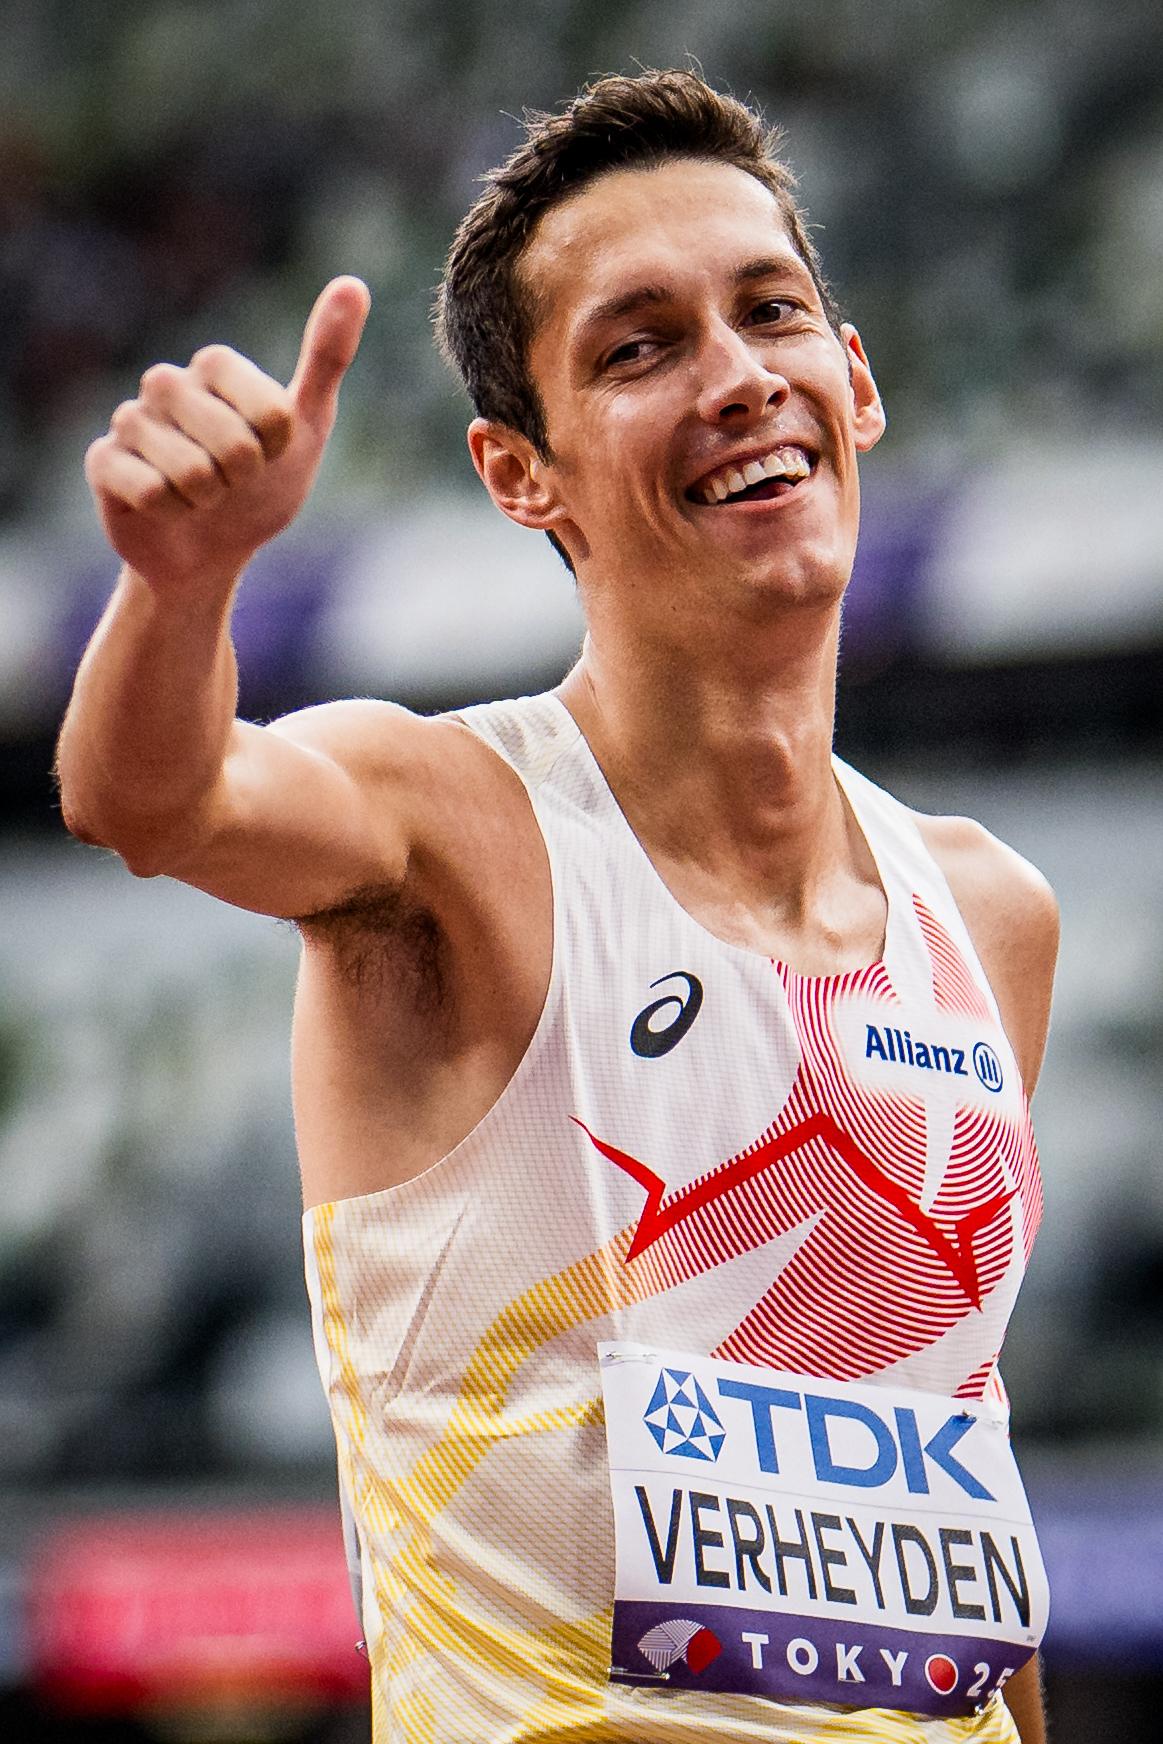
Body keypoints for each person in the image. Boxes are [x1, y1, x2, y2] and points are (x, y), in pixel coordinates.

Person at [57, 69, 1057, 1744]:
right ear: (521, 473)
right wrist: (182, 586)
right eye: (641, 346)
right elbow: (150, 795)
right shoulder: (451, 827)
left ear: (858, 381)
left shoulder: (985, 914)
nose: (739, 378)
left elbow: (957, 1442)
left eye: (773, 312)